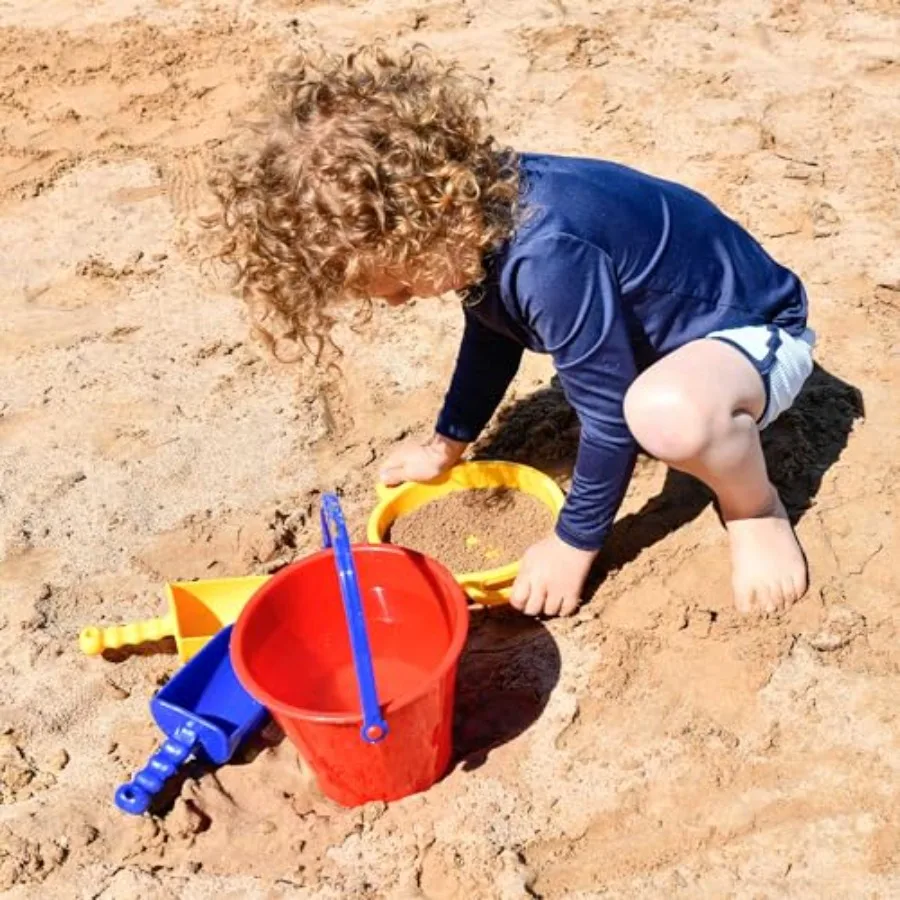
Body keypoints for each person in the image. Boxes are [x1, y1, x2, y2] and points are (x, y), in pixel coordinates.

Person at [212, 45, 814, 618]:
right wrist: (446, 443)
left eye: (382, 280)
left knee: (663, 415)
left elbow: (609, 422)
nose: (387, 301)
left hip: (758, 337)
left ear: (411, 228)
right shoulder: (475, 208)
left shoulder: (547, 255)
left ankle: (754, 507)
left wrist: (572, 545)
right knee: (649, 402)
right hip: (675, 342)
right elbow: (493, 331)